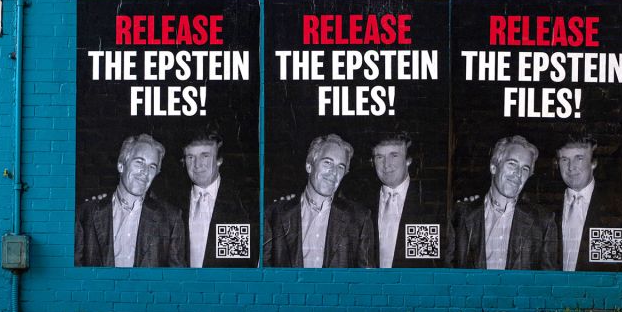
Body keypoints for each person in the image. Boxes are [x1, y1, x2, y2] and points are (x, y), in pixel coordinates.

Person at [448, 135, 559, 270]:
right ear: (493, 167)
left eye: (525, 169)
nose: (518, 174)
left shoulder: (543, 222)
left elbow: (548, 279)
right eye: (512, 164)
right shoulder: (460, 215)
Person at [74, 134, 187, 267]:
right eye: (139, 162)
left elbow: (176, 275)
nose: (145, 172)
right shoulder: (86, 214)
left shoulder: (171, 219)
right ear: (121, 166)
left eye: (152, 167)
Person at [264, 133, 374, 268]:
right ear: (309, 166)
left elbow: (367, 277)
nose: (334, 172)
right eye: (327, 162)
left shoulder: (359, 218)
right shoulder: (274, 214)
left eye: (341, 167)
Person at [556, 136, 622, 272]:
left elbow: (610, 268)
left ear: (594, 163)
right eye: (564, 159)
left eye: (579, 158)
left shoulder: (614, 208)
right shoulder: (547, 208)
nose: (571, 167)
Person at [181, 130, 257, 268]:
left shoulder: (239, 203)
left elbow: (235, 264)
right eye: (190, 157)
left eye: (205, 156)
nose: (197, 165)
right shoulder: (174, 203)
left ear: (219, 160)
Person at [370, 132, 441, 268]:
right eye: (380, 157)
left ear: (408, 160)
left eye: (394, 156)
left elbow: (422, 263)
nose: (386, 165)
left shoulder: (426, 203)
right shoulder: (362, 203)